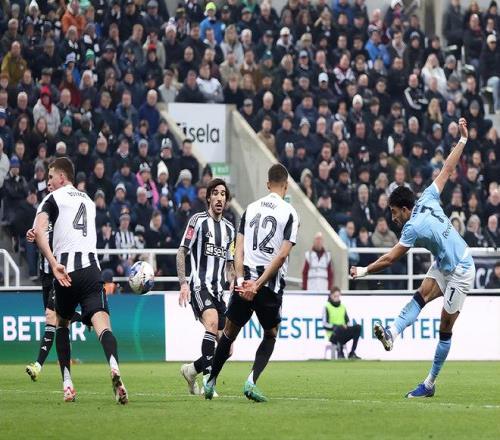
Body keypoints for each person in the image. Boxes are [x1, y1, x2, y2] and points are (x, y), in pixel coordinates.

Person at [351, 118, 475, 398]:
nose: (393, 218)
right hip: (444, 262)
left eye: (395, 212)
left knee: (445, 328)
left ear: (406, 210)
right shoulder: (428, 196)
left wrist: (363, 271)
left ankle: (429, 384)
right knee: (420, 296)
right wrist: (463, 140)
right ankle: (391, 334)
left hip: (462, 268)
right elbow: (448, 169)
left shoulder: (412, 227)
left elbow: (390, 259)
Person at [33, 157, 128, 404]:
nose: (48, 182)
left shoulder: (52, 198)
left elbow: (40, 231)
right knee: (103, 324)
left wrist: (53, 263)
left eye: (51, 177)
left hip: (65, 271)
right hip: (91, 271)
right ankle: (114, 366)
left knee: (62, 324)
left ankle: (67, 384)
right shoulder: (88, 200)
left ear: (62, 177)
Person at [204, 164, 300, 402]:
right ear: (286, 186)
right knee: (270, 334)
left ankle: (210, 381)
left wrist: (241, 281)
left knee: (229, 333)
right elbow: (281, 256)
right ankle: (251, 381)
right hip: (268, 286)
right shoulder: (290, 213)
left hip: (244, 282)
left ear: (267, 184)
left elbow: (238, 249)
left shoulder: (250, 208)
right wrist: (258, 284)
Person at [177, 178, 236, 395]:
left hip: (219, 293)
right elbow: (181, 252)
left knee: (227, 349)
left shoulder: (230, 230)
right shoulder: (197, 221)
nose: (220, 198)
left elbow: (229, 265)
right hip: (199, 287)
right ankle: (208, 383)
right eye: (216, 193)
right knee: (211, 322)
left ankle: (191, 370)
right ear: (209, 197)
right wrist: (183, 283)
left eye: (223, 194)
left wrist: (233, 280)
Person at [323, 287, 361, 359]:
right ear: (331, 296)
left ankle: (352, 353)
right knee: (339, 328)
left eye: (338, 296)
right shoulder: (327, 307)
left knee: (358, 327)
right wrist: (336, 326)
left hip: (343, 332)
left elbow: (347, 321)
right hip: (333, 335)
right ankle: (340, 352)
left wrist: (347, 326)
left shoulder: (342, 307)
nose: (337, 298)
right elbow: (325, 324)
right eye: (335, 296)